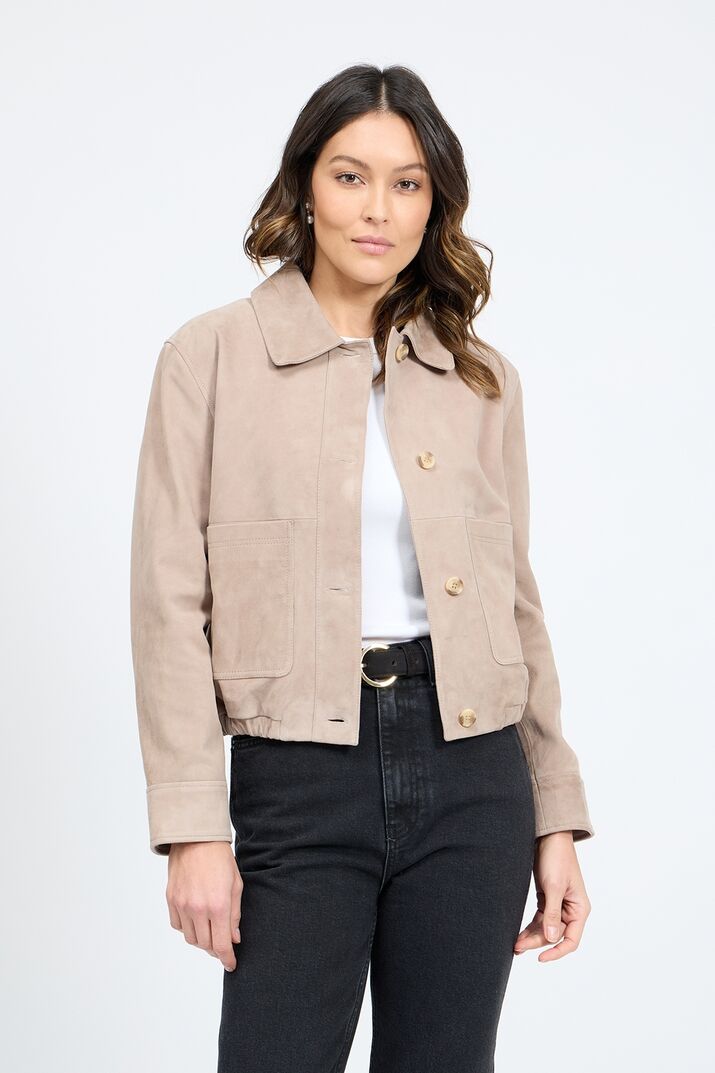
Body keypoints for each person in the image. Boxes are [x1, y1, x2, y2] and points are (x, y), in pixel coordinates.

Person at [129, 62, 595, 1073]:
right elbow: (167, 601)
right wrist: (191, 826)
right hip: (298, 771)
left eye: (407, 183)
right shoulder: (209, 357)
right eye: (350, 176)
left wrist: (555, 813)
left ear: (434, 205)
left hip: (472, 770)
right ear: (306, 186)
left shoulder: (480, 379)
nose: (378, 208)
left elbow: (515, 602)